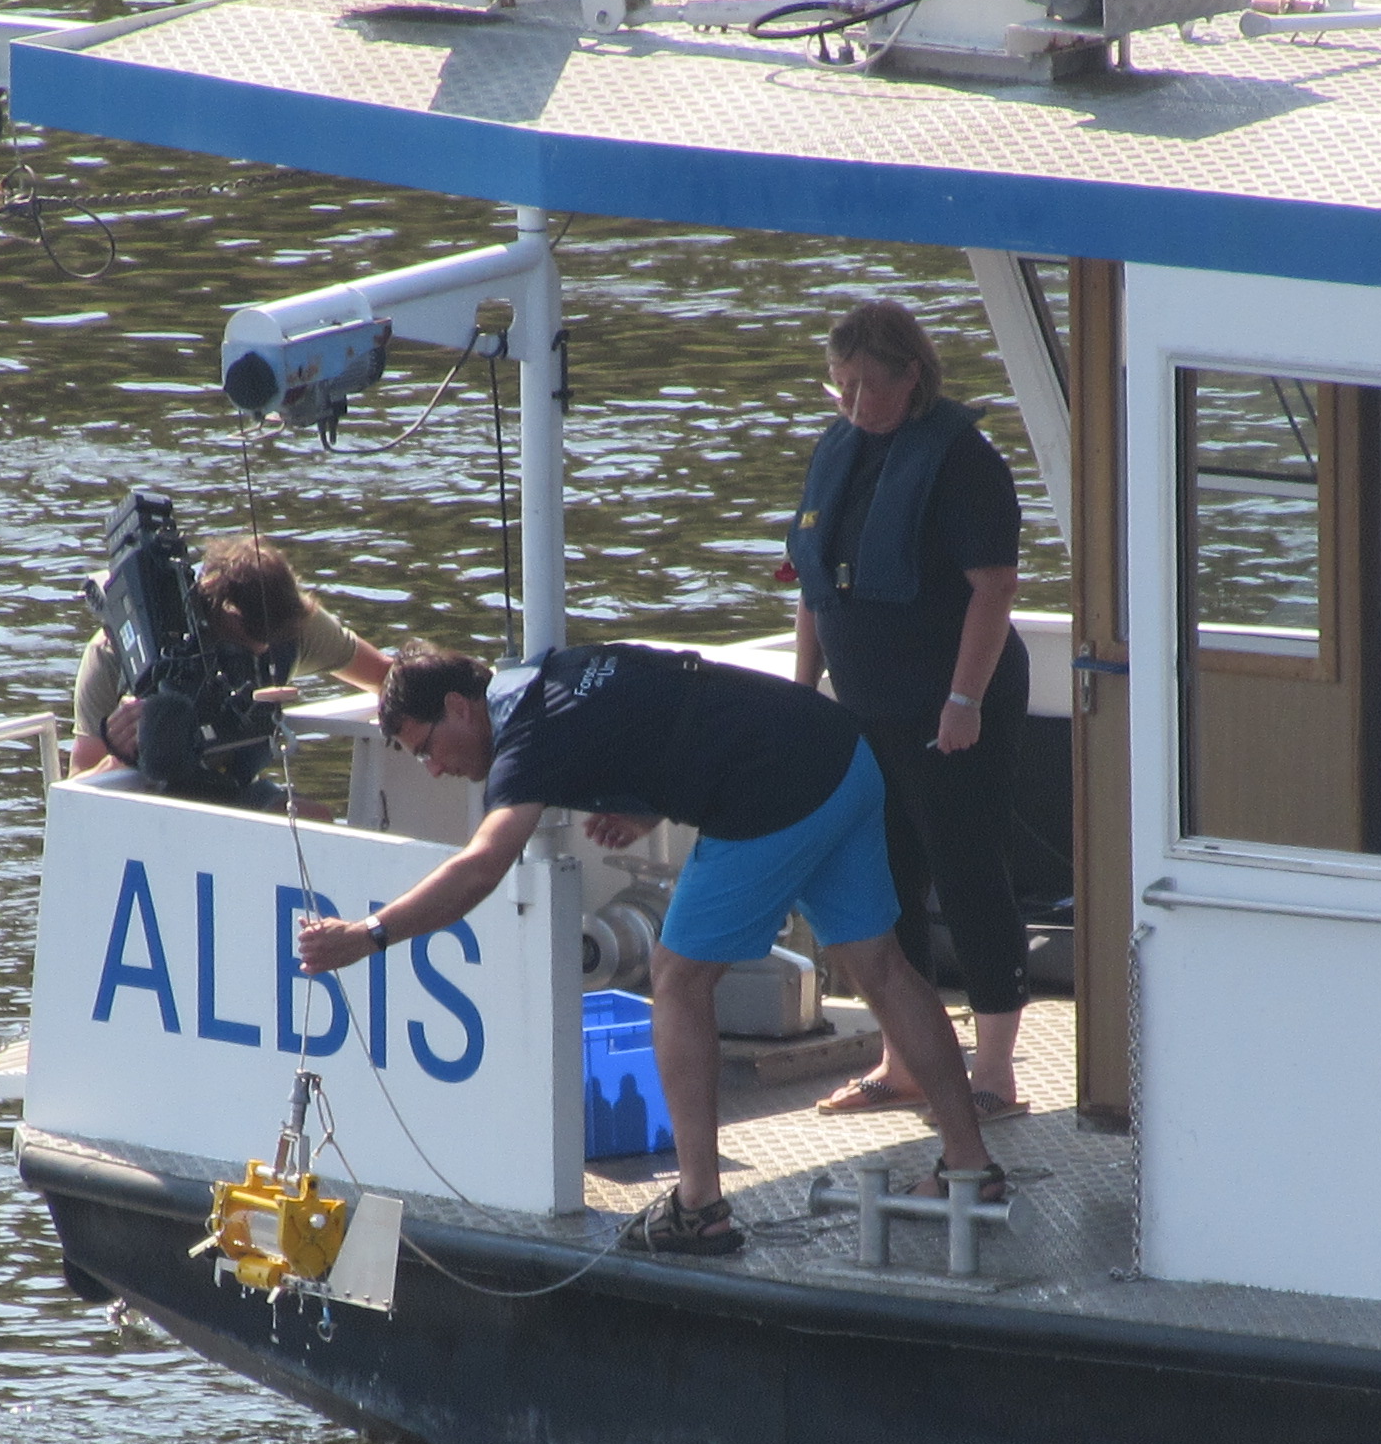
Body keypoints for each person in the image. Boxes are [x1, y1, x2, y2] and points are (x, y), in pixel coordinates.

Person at [291, 641, 997, 1258]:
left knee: (678, 977)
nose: (433, 769)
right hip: (839, 751)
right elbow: (668, 697)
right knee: (882, 967)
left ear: (460, 707)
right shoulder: (552, 668)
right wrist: (648, 799)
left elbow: (482, 867)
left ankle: (699, 1209)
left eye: (425, 749)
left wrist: (369, 935)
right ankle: (970, 1166)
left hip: (775, 790)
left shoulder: (528, 735)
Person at [782, 298, 1034, 1121]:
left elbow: (994, 589)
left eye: (869, 386)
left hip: (950, 705)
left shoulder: (963, 462)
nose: (853, 403)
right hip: (866, 709)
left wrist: (963, 702)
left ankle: (995, 1075)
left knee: (969, 876)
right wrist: (803, 689)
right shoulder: (840, 452)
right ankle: (907, 1063)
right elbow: (816, 586)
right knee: (884, 886)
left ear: (912, 377)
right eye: (842, 386)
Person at [66, 532, 389, 791]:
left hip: (232, 790)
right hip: (150, 810)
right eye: (242, 647)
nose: (260, 653)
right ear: (213, 611)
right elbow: (74, 790)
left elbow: (385, 676)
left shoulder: (289, 622)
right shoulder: (111, 654)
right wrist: (121, 755)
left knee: (314, 817)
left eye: (271, 643)